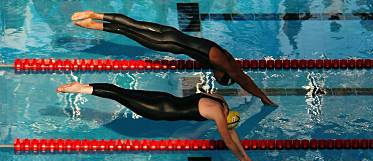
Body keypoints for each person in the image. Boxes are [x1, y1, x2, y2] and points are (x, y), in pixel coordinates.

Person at [70, 11, 275, 105]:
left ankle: (94, 14)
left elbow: (243, 77)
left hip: (172, 33)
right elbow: (245, 80)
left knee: (133, 23)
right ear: (223, 74)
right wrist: (262, 97)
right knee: (127, 32)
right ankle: (94, 24)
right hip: (167, 43)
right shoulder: (225, 65)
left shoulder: (224, 56)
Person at [56, 83, 258, 161]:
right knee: (120, 95)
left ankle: (84, 87)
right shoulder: (216, 113)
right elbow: (228, 139)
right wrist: (242, 159)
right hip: (158, 110)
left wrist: (246, 156)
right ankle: (82, 89)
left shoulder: (220, 101)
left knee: (121, 91)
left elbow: (232, 133)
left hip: (163, 98)